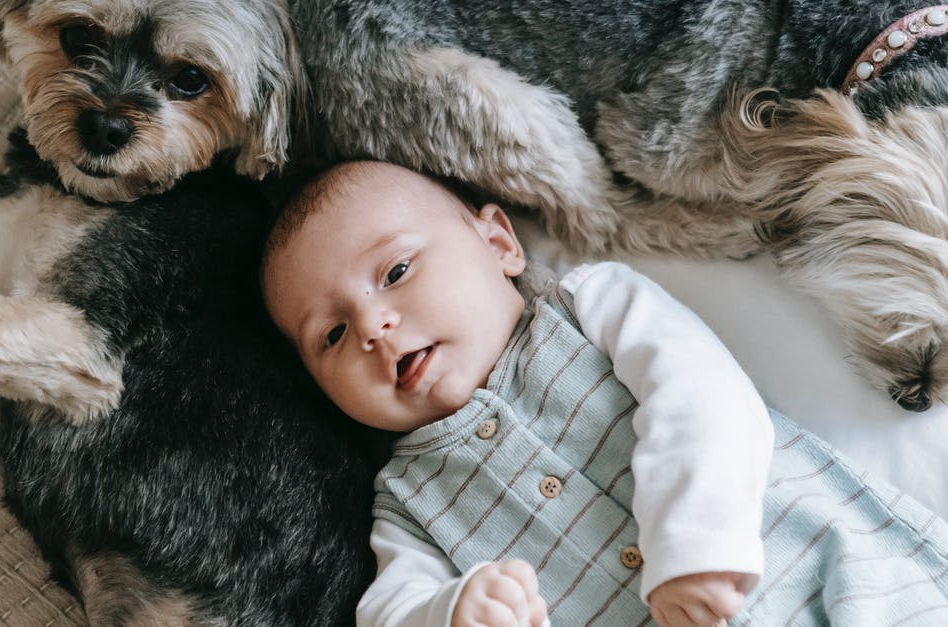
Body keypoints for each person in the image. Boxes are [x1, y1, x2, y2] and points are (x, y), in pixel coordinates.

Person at [260, 161, 948, 627]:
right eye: (332, 334)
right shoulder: (405, 502)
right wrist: (451, 609)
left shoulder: (592, 305)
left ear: (499, 241)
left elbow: (702, 393)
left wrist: (696, 543)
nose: (374, 327)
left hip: (839, 575)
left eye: (397, 269)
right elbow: (387, 611)